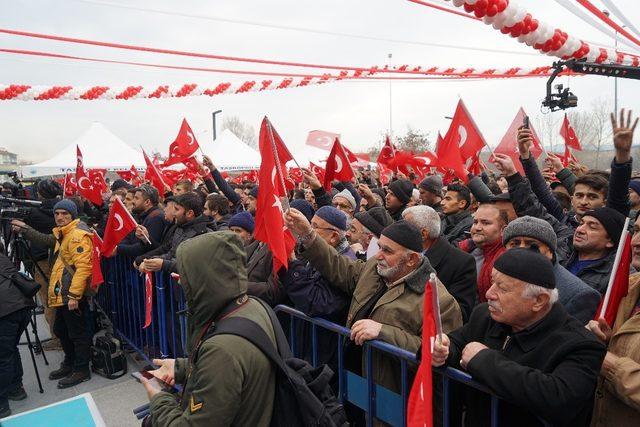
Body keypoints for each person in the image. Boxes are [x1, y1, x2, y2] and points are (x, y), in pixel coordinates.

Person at [285, 210, 462, 393]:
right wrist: (308, 234)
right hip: (354, 378)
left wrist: (383, 332)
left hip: (394, 394)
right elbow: (339, 267)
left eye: (387, 251)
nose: (378, 255)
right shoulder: (374, 268)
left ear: (412, 259)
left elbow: (435, 354)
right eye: (379, 247)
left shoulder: (439, 302)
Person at [432, 248, 606, 426]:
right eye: (493, 282)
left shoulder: (582, 345)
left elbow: (559, 398)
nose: (489, 294)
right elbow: (457, 343)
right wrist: (442, 350)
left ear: (539, 301)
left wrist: (484, 361)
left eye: (503, 288)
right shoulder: (485, 316)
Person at [141, 232, 276, 426]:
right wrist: (181, 367)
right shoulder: (252, 305)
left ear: (206, 278)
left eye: (188, 276)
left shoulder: (222, 349)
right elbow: (238, 371)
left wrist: (159, 399)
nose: (181, 281)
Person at [11, 199, 94, 388]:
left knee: (77, 333)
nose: (60, 217)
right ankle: (70, 362)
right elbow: (47, 240)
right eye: (57, 214)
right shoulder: (63, 233)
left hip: (71, 294)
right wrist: (24, 229)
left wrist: (74, 295)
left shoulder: (77, 234)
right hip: (62, 292)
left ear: (72, 215)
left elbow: (83, 268)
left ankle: (81, 369)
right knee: (61, 330)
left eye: (64, 213)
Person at [280, 206, 354, 369]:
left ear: (334, 236)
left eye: (314, 227)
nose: (308, 231)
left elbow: (318, 303)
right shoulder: (313, 253)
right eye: (309, 225)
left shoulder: (346, 265)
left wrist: (293, 265)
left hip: (323, 353)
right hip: (307, 343)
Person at [587, 209, 640, 426]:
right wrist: (609, 342)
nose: (636, 242)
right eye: (636, 230)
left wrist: (610, 364)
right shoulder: (630, 285)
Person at [502, 216, 601, 324]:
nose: (521, 249)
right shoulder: (501, 276)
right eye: (514, 244)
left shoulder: (579, 295)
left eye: (531, 245)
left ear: (550, 252)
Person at [402, 205, 477, 323]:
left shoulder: (461, 263)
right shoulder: (402, 253)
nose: (399, 232)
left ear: (423, 234)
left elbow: (459, 313)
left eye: (404, 228)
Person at [22, 179, 61, 350]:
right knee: (59, 299)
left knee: (49, 301)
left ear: (40, 193)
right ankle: (61, 337)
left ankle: (56, 338)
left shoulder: (35, 214)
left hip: (43, 261)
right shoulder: (63, 208)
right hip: (58, 259)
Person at [135, 192, 214, 274]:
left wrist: (163, 264)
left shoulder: (204, 234)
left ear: (189, 213)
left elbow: (193, 266)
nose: (173, 213)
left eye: (176, 209)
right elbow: (171, 253)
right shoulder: (180, 227)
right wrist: (150, 261)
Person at [0, 253, 36, 417]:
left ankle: (2, 404)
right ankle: (16, 388)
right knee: (10, 349)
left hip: (6, 311)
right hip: (22, 305)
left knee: (3, 355)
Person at [564, 207, 625, 294]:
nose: (579, 230)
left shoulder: (614, 276)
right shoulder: (561, 250)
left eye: (592, 227)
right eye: (581, 223)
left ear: (610, 241)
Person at [459, 203, 508, 303]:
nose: (477, 227)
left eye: (485, 223)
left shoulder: (505, 259)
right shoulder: (462, 249)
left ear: (503, 230)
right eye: (475, 222)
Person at [114, 185, 166, 257]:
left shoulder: (156, 218)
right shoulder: (141, 216)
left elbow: (145, 247)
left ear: (147, 202)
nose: (133, 201)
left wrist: (118, 249)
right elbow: (130, 238)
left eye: (136, 198)